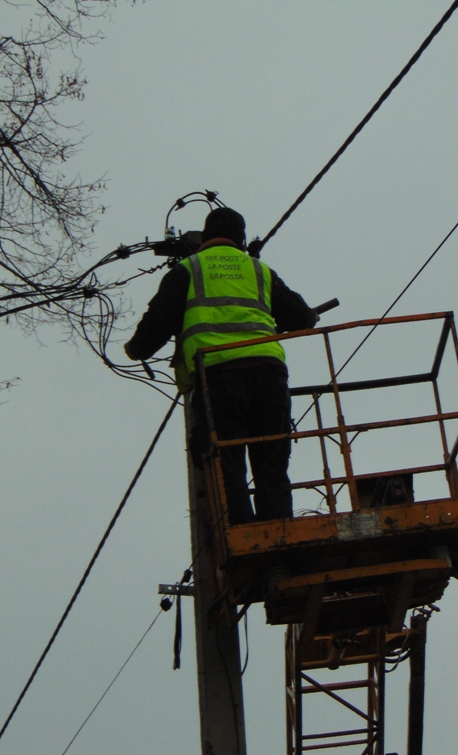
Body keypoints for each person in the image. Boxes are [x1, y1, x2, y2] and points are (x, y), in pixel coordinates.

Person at [124, 207, 318, 524]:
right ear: (240, 239)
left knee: (227, 466)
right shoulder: (259, 270)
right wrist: (310, 316)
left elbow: (156, 324)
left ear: (205, 235)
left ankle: (241, 535)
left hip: (218, 379)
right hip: (268, 375)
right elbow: (303, 318)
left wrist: (135, 349)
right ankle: (279, 537)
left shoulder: (188, 270)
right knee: (272, 465)